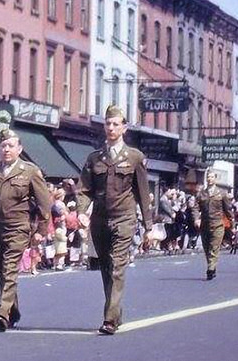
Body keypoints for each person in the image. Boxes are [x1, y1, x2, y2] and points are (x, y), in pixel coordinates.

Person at [76, 105, 152, 335]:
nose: (111, 128)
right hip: (99, 220)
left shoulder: (134, 157)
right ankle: (115, 312)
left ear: (124, 128)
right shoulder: (94, 158)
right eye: (108, 124)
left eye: (115, 124)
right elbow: (84, 189)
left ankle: (109, 318)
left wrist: (148, 225)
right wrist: (81, 210)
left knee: (118, 267)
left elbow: (142, 192)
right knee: (106, 269)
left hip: (124, 218)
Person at [0, 128, 52, 332]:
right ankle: (13, 311)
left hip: (18, 227)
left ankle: (2, 312)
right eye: (3, 146)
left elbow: (44, 203)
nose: (6, 149)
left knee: (10, 267)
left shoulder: (30, 171)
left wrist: (41, 229)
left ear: (19, 148)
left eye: (10, 146)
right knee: (0, 271)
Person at [192, 170, 232, 280]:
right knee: (206, 248)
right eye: (208, 177)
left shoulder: (222, 193)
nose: (209, 179)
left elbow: (227, 209)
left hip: (218, 224)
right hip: (205, 224)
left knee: (214, 247)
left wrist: (231, 222)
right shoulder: (201, 194)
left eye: (211, 177)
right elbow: (195, 207)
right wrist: (196, 219)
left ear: (215, 179)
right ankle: (212, 266)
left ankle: (210, 268)